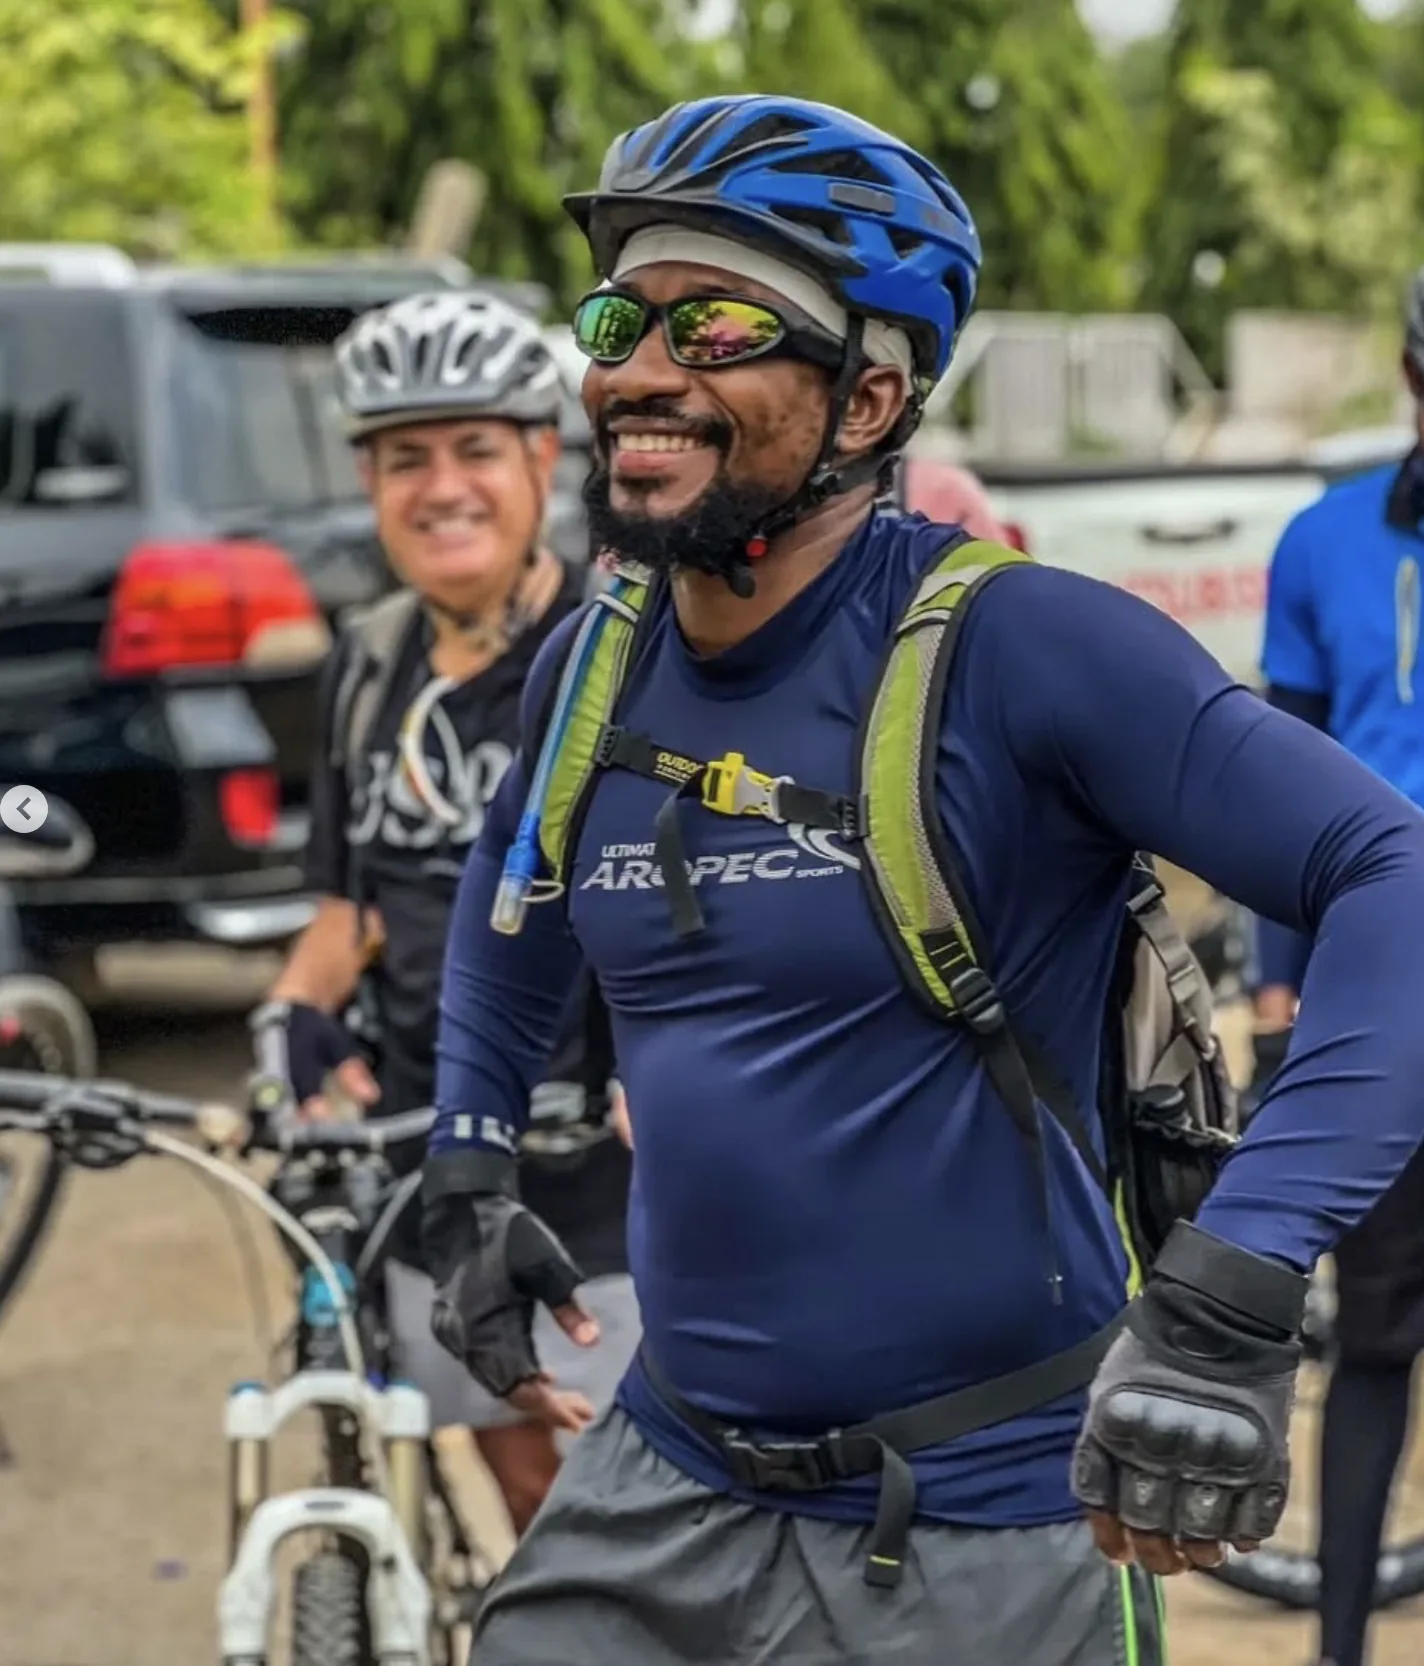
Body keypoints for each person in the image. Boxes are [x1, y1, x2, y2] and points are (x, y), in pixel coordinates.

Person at [418, 96, 1424, 1666]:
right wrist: (472, 1168)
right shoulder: (593, 663)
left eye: (719, 324)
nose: (637, 371)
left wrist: (1234, 1284)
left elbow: (1391, 869)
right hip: (659, 1482)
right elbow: (511, 889)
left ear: (872, 394)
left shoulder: (1027, 648)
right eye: (621, 317)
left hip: (986, 1524)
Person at [248, 289, 637, 1537]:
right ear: (368, 479)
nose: (442, 487)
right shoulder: (367, 664)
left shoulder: (618, 651)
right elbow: (345, 914)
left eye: (475, 448)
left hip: (605, 1187)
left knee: (612, 1526)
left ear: (540, 457)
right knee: (514, 1480)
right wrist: (294, 1019)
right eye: (406, 457)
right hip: (423, 1173)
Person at [1249, 268, 1424, 1666]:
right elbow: (1279, 782)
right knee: (1372, 1338)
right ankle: (1344, 1645)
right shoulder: (1324, 541)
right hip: (1383, 987)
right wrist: (1272, 980)